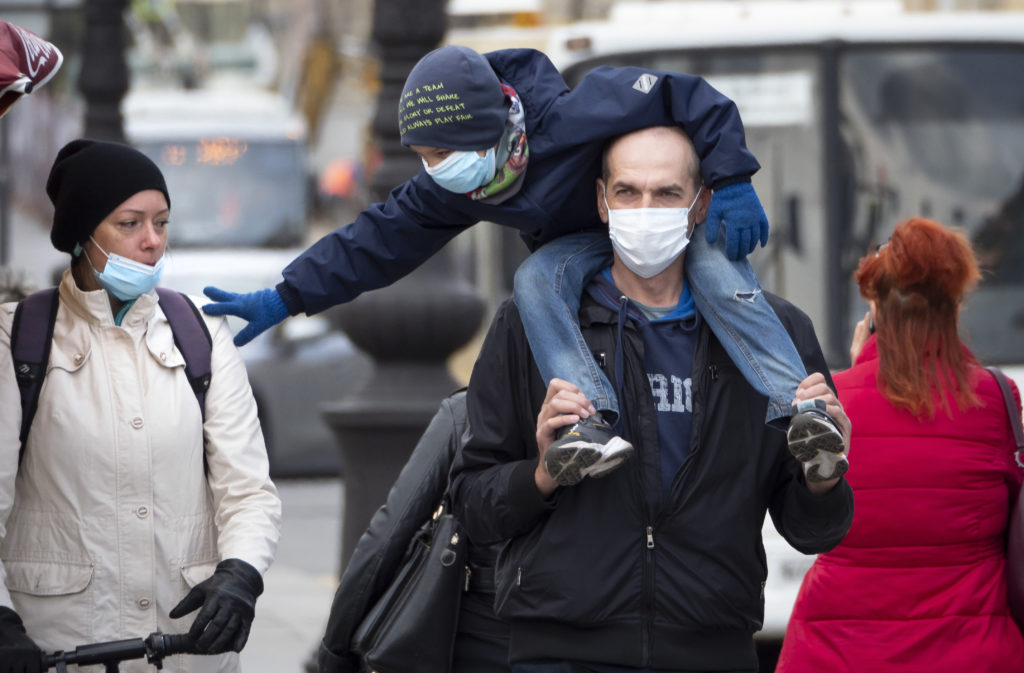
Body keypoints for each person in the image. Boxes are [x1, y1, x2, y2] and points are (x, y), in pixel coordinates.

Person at [201, 45, 846, 485]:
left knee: (716, 276)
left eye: (445, 153)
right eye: (425, 156)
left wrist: (731, 177)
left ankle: (800, 409)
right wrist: (285, 297)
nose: (438, 169)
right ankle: (590, 423)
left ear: (495, 127)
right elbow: (375, 240)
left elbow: (691, 97)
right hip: (592, 246)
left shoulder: (581, 111)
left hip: (656, 219)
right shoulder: (456, 186)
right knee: (534, 278)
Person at [448, 125, 854, 672]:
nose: (645, 209)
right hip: (560, 651)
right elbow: (473, 504)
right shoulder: (532, 326)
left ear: (700, 203)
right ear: (601, 200)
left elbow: (814, 531)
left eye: (666, 194)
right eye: (627, 192)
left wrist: (823, 478)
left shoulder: (778, 336)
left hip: (710, 647)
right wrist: (542, 474)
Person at [0, 139, 282, 673]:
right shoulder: (17, 340)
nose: (152, 241)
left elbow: (247, 489)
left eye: (162, 222)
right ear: (82, 236)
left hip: (185, 651)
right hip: (64, 649)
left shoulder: (201, 333)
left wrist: (241, 571)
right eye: (129, 223)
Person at [776, 216, 1024, 673]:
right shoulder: (996, 398)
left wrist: (858, 370)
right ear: (954, 304)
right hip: (972, 653)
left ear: (872, 305)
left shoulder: (834, 402)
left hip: (837, 653)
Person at [316, 390, 510, 673]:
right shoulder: (594, 419)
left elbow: (389, 533)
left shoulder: (470, 410)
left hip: (477, 634)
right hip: (584, 638)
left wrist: (334, 649)